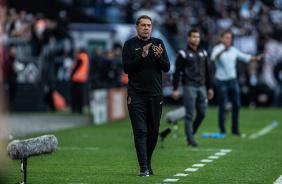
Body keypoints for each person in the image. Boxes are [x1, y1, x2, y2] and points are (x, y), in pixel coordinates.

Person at [122, 15, 170, 177]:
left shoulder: (158, 44)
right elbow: (127, 68)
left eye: (148, 25)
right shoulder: (129, 45)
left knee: (153, 132)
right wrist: (141, 57)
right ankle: (143, 167)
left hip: (156, 95)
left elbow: (167, 67)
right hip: (136, 95)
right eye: (143, 25)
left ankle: (147, 163)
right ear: (136, 27)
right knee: (140, 131)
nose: (146, 28)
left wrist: (158, 58)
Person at [210, 31, 263, 136]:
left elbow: (245, 57)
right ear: (221, 39)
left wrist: (256, 58)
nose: (228, 40)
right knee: (222, 106)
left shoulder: (233, 50)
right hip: (221, 81)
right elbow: (213, 58)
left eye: (230, 38)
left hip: (233, 81)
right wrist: (222, 51)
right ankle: (222, 130)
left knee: (237, 105)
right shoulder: (217, 49)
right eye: (226, 38)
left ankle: (235, 130)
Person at [172, 29, 214, 147]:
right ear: (188, 38)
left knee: (202, 113)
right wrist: (175, 88)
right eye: (194, 37)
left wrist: (210, 87)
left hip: (202, 86)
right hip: (189, 86)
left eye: (198, 37)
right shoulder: (183, 54)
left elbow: (208, 71)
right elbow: (177, 72)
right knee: (189, 114)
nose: (196, 39)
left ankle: (191, 131)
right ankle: (190, 140)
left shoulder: (203, 53)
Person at [70, 48, 89, 113]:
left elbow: (77, 66)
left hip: (77, 78)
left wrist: (72, 74)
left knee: (76, 95)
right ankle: (79, 109)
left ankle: (75, 108)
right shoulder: (85, 57)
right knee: (80, 94)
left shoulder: (81, 56)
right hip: (82, 79)